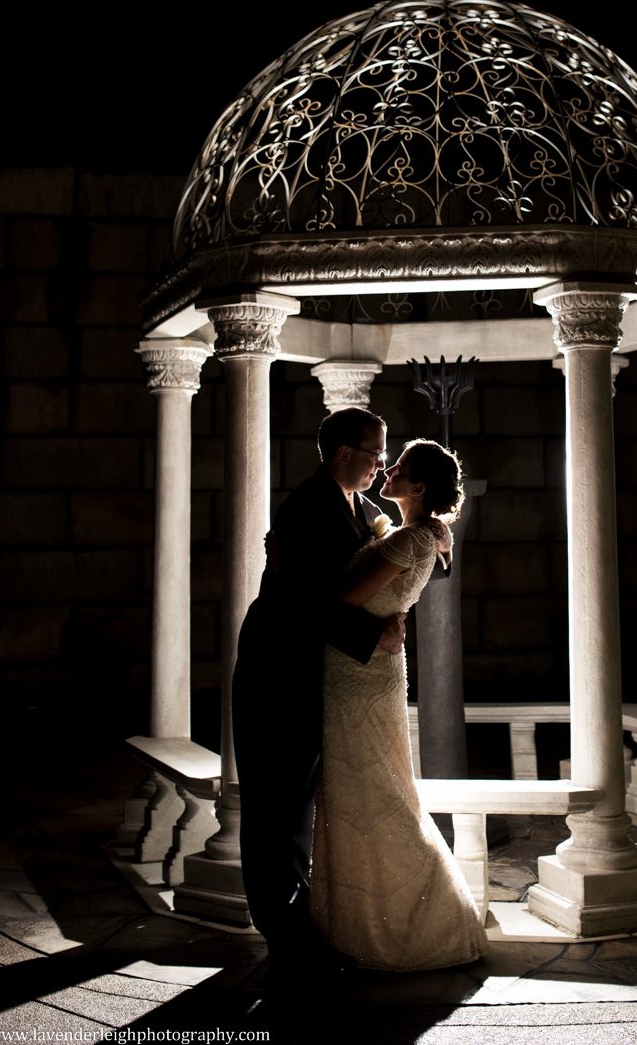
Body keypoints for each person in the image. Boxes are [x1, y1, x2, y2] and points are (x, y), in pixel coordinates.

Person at [232, 406, 409, 970]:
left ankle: (301, 925)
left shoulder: (360, 507)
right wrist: (373, 634)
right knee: (276, 805)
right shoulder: (307, 508)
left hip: (314, 670)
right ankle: (285, 933)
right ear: (343, 453)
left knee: (298, 801)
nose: (381, 465)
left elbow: (382, 562)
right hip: (277, 670)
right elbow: (303, 600)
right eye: (376, 453)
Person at [310, 438, 488, 972]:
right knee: (369, 788)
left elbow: (342, 596)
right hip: (367, 669)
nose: (388, 470)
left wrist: (293, 564)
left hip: (359, 677)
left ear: (419, 487)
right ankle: (361, 919)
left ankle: (405, 923)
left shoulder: (411, 539)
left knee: (371, 791)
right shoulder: (420, 534)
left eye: (401, 469)